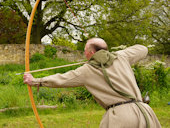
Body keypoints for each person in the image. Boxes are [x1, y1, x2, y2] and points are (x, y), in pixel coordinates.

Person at [24, 38, 161, 128]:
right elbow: (143, 49)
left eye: (85, 51)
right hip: (145, 113)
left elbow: (61, 79)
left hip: (121, 118)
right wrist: (117, 54)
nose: (84, 54)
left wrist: (35, 81)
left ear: (90, 53)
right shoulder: (121, 56)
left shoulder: (87, 70)